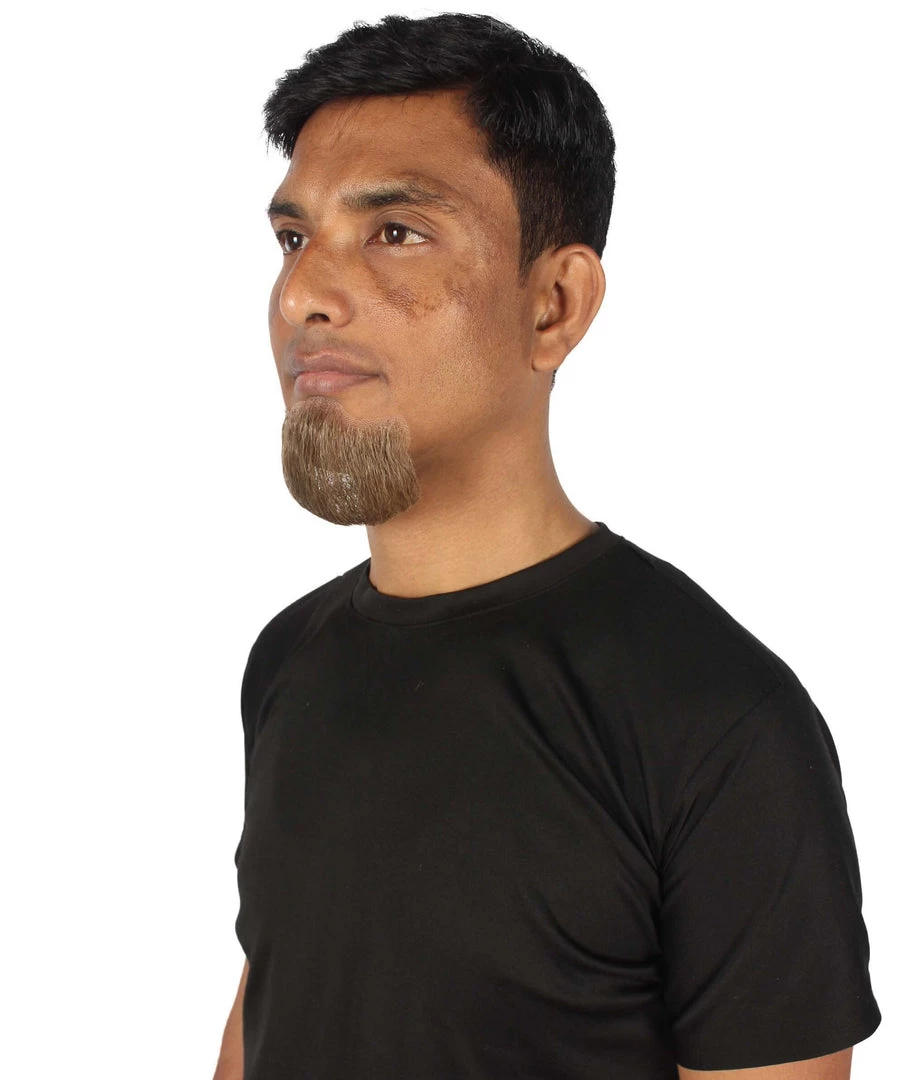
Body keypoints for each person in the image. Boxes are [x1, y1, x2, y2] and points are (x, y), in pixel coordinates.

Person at [212, 13, 881, 1080]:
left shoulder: (711, 717)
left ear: (554, 304)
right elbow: (278, 994)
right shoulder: (289, 657)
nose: (301, 297)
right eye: (295, 240)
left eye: (395, 232)